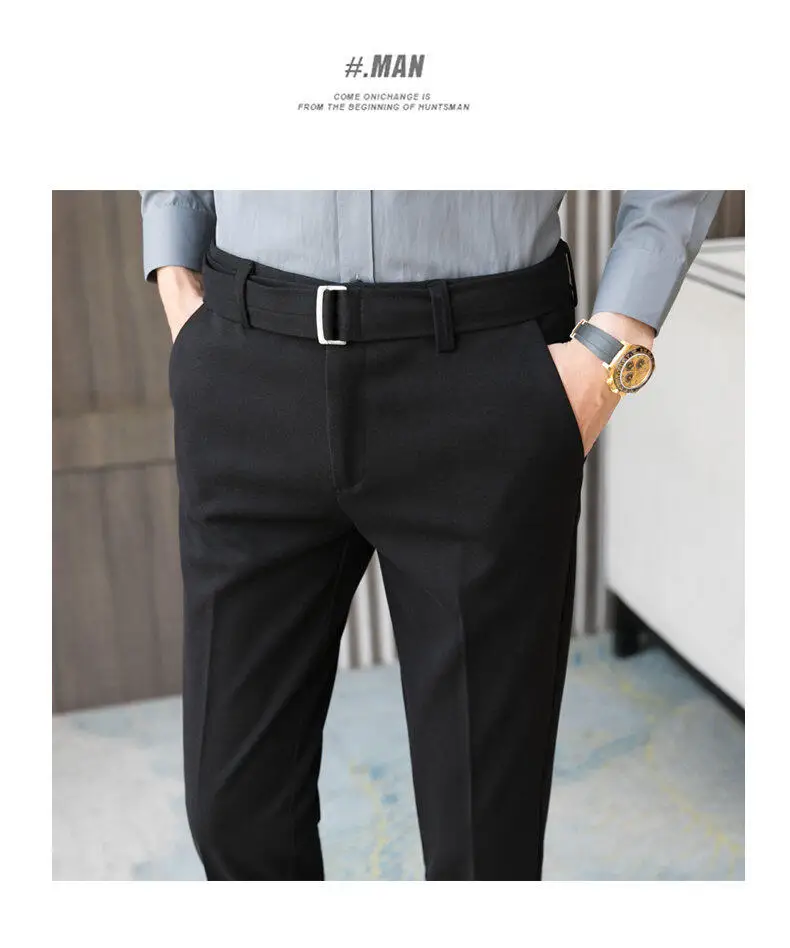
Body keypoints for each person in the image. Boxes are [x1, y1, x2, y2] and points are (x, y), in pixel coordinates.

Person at [140, 190, 723, 881]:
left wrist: (615, 345)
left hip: (485, 371)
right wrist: (175, 269)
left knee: (483, 844)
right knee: (233, 814)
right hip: (249, 361)